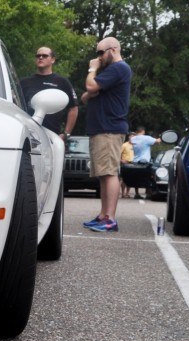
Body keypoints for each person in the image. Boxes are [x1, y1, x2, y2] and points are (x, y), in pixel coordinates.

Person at [80, 37, 132, 232]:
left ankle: (110, 218)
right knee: (103, 174)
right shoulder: (111, 71)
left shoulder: (119, 68)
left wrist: (92, 70)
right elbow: (86, 96)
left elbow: (90, 87)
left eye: (101, 53)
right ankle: (103, 216)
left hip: (109, 128)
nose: (98, 58)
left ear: (112, 50)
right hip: (102, 128)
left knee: (109, 173)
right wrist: (92, 88)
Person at [20, 46, 79, 139]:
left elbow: (73, 108)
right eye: (38, 55)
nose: (40, 57)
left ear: (52, 60)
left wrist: (66, 134)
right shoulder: (24, 82)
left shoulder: (62, 82)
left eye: (44, 55)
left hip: (52, 135)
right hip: (27, 134)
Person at [120, 132, 135, 198]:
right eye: (130, 137)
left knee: (130, 179)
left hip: (133, 164)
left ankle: (127, 193)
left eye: (133, 137)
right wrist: (121, 160)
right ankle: (123, 193)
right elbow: (118, 154)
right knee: (123, 179)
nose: (132, 138)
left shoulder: (136, 145)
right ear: (128, 137)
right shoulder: (124, 145)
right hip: (125, 164)